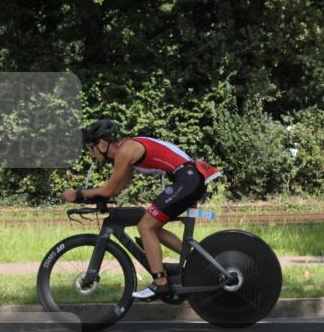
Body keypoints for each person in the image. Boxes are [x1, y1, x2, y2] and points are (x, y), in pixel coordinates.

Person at [62, 119, 221, 301]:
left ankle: (160, 283)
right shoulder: (127, 152)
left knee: (145, 226)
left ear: (103, 144)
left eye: (91, 148)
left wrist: (78, 193)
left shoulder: (125, 151)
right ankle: (198, 261)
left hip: (188, 179)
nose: (91, 154)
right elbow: (117, 188)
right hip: (190, 178)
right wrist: (94, 196)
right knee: (152, 226)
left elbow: (108, 190)